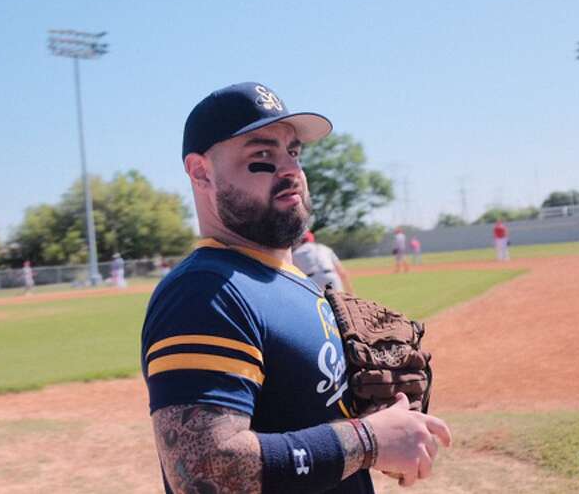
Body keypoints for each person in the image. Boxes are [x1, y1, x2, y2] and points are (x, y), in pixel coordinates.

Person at [141, 82, 451, 494]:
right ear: (201, 172)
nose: (290, 170)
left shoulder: (292, 283)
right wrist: (369, 440)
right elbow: (204, 471)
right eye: (262, 155)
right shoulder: (207, 292)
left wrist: (377, 421)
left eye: (293, 152)